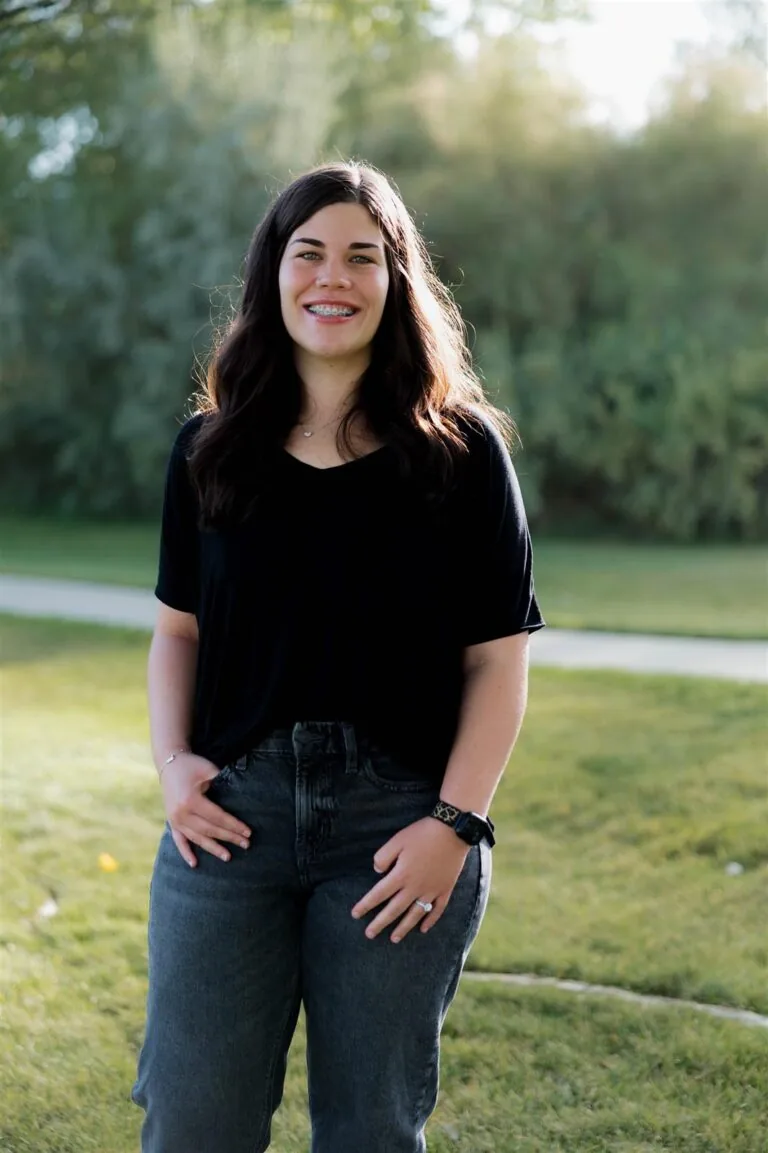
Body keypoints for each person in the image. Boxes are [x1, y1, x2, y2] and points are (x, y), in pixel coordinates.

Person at [131, 160, 544, 1153]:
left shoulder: (462, 456)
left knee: (369, 1129)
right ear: (273, 272)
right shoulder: (209, 451)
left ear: (398, 282)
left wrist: (456, 821)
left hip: (399, 827)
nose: (334, 277)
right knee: (193, 1120)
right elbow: (176, 633)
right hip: (230, 823)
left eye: (365, 256)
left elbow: (498, 662)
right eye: (308, 251)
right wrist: (175, 765)